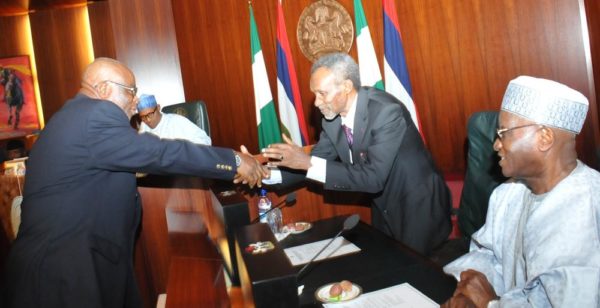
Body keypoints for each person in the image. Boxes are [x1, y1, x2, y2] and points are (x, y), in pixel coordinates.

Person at [1, 57, 267, 308]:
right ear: (104, 89)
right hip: (63, 275)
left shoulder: (73, 116)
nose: (136, 99)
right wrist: (233, 160)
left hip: (79, 263)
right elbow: (159, 153)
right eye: (130, 90)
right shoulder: (95, 116)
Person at [262, 52, 451, 255]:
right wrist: (269, 174)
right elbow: (317, 160)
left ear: (346, 86)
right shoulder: (332, 119)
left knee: (418, 272)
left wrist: (307, 162)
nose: (316, 103)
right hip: (383, 204)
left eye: (322, 93)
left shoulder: (386, 112)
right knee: (390, 266)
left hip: (417, 204)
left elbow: (373, 177)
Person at [442, 76, 600, 307]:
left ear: (544, 137)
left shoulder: (585, 208)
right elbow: (489, 255)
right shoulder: (508, 192)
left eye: (503, 132)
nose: (496, 144)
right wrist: (469, 290)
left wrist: (490, 304)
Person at [136, 93, 212, 145]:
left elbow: (205, 141)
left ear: (158, 108)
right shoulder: (144, 126)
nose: (147, 120)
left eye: (150, 114)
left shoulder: (176, 122)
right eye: (143, 117)